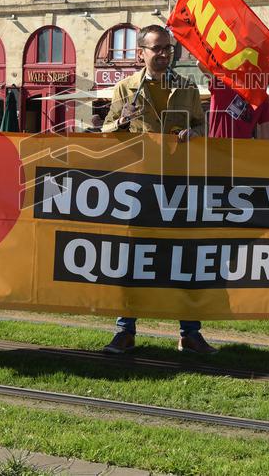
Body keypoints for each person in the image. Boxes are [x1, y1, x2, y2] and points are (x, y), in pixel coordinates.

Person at [101, 25, 215, 355]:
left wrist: (195, 134)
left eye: (168, 48)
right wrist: (121, 121)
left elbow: (201, 126)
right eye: (157, 48)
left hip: (178, 184)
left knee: (184, 259)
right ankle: (125, 331)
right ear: (141, 53)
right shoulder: (125, 88)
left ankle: (189, 333)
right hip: (137, 185)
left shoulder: (187, 87)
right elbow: (106, 132)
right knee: (132, 259)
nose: (164, 54)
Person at [198, 64, 269, 140]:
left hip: (220, 145)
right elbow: (266, 136)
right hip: (233, 146)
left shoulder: (223, 83)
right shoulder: (261, 97)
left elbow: (200, 63)